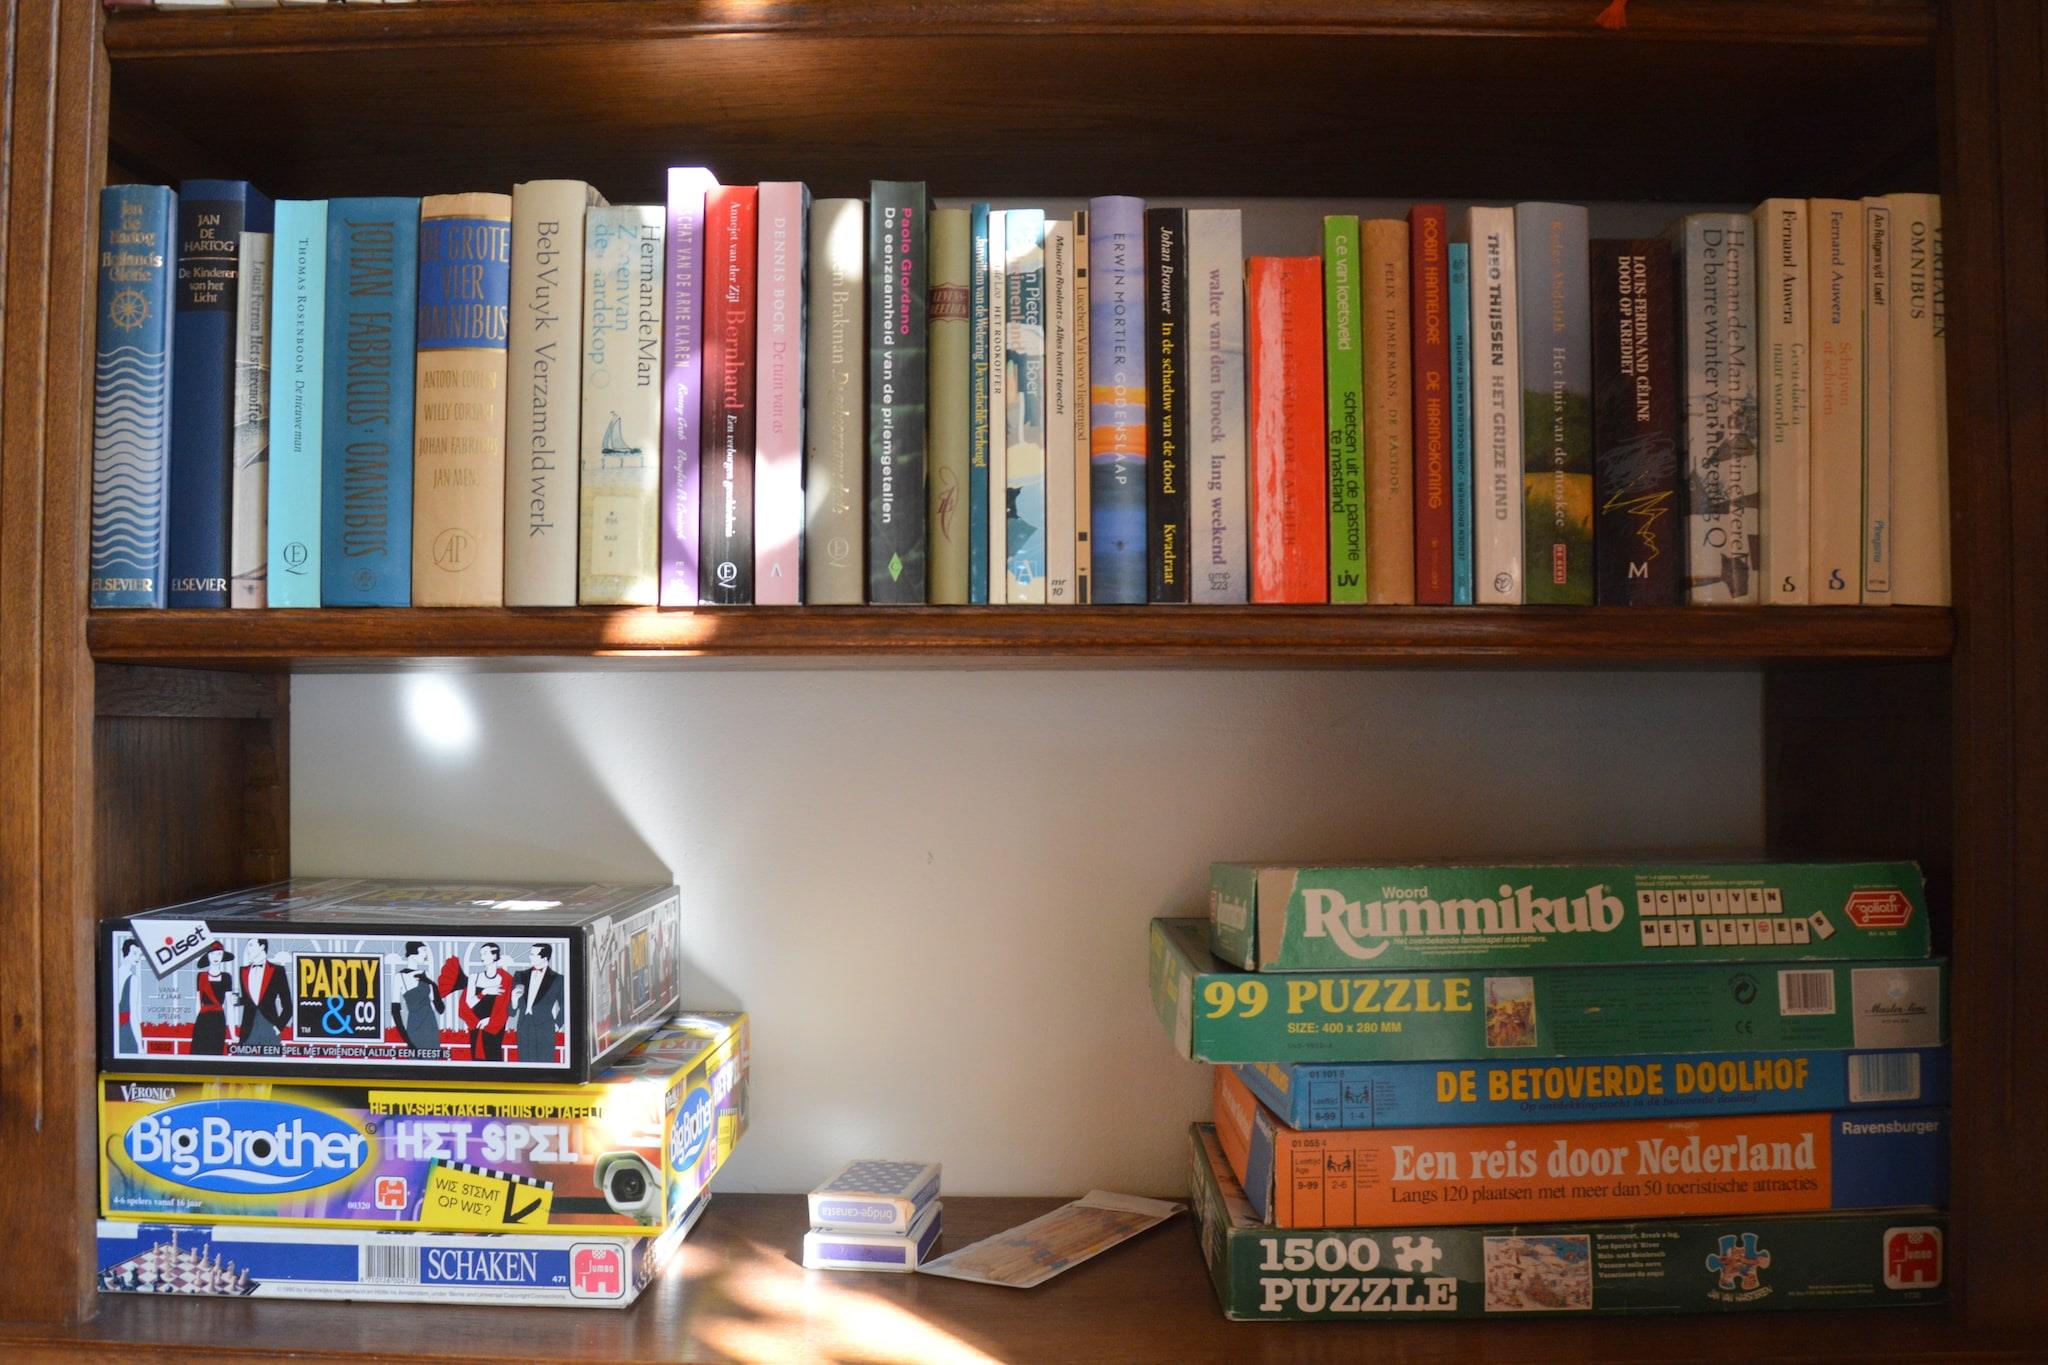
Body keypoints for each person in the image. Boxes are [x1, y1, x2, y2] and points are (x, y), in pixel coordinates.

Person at [391, 941, 446, 1055]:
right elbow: (395, 1011)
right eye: (423, 950)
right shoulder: (399, 977)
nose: (426, 954)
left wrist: (432, 984)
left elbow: (440, 1009)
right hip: (414, 1027)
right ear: (413, 952)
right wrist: (406, 1040)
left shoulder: (427, 975)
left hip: (431, 1027)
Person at [460, 942, 513, 1061]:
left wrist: (490, 1020)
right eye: (481, 954)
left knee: (494, 1054)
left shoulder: (506, 979)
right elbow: (469, 1004)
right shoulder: (474, 977)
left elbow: (505, 1007)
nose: (481, 957)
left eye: (485, 953)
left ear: (494, 955)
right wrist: (485, 992)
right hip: (476, 1024)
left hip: (495, 1026)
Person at [237, 937, 292, 1050]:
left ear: (262, 947)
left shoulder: (278, 971)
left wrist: (278, 1028)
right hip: (248, 1030)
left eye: (251, 945)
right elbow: (251, 1000)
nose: (247, 950)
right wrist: (238, 1001)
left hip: (270, 1028)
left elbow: (288, 1006)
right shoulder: (243, 971)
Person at [514, 942, 564, 1064]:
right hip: (523, 1025)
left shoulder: (558, 979)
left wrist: (558, 1023)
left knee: (545, 1061)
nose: (529, 957)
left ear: (545, 958)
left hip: (545, 1026)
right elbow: (511, 1010)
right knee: (524, 1061)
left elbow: (565, 1005)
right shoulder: (520, 976)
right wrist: (513, 1000)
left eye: (533, 954)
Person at [189, 943, 238, 1056]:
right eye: (213, 954)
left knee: (215, 1052)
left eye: (219, 954)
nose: (216, 957)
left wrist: (233, 1034)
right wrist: (197, 1023)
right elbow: (198, 1003)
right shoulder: (201, 976)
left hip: (218, 1020)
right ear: (208, 956)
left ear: (222, 956)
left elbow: (229, 1006)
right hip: (203, 1020)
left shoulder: (226, 977)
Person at [114, 938, 143, 1056]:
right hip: (127, 1031)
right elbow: (133, 1015)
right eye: (134, 953)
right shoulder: (133, 979)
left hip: (114, 1030)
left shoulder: (114, 974)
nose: (137, 958)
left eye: (139, 955)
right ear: (126, 952)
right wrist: (140, 1046)